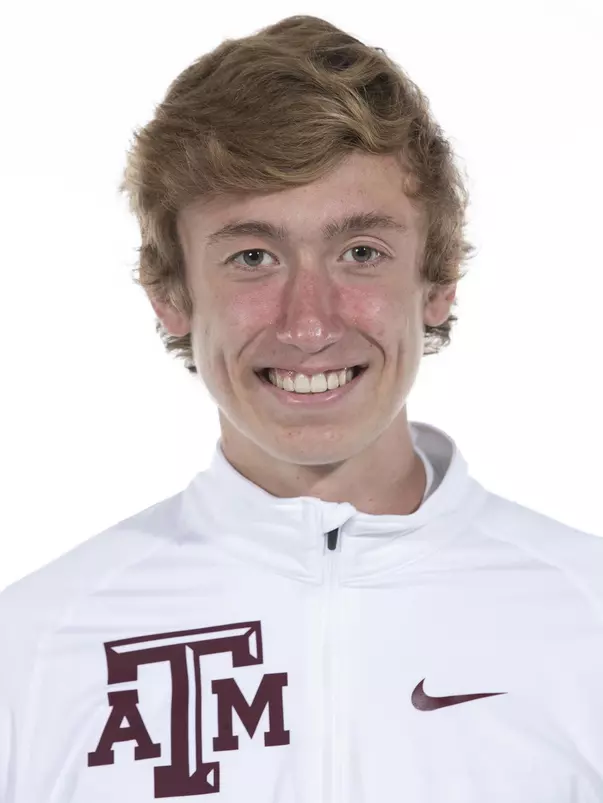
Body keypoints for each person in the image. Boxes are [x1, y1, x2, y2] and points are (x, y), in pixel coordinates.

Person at [1, 14, 602, 803]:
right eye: (253, 256)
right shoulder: (33, 649)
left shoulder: (586, 615)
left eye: (360, 252)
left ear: (439, 278)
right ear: (172, 294)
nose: (309, 323)